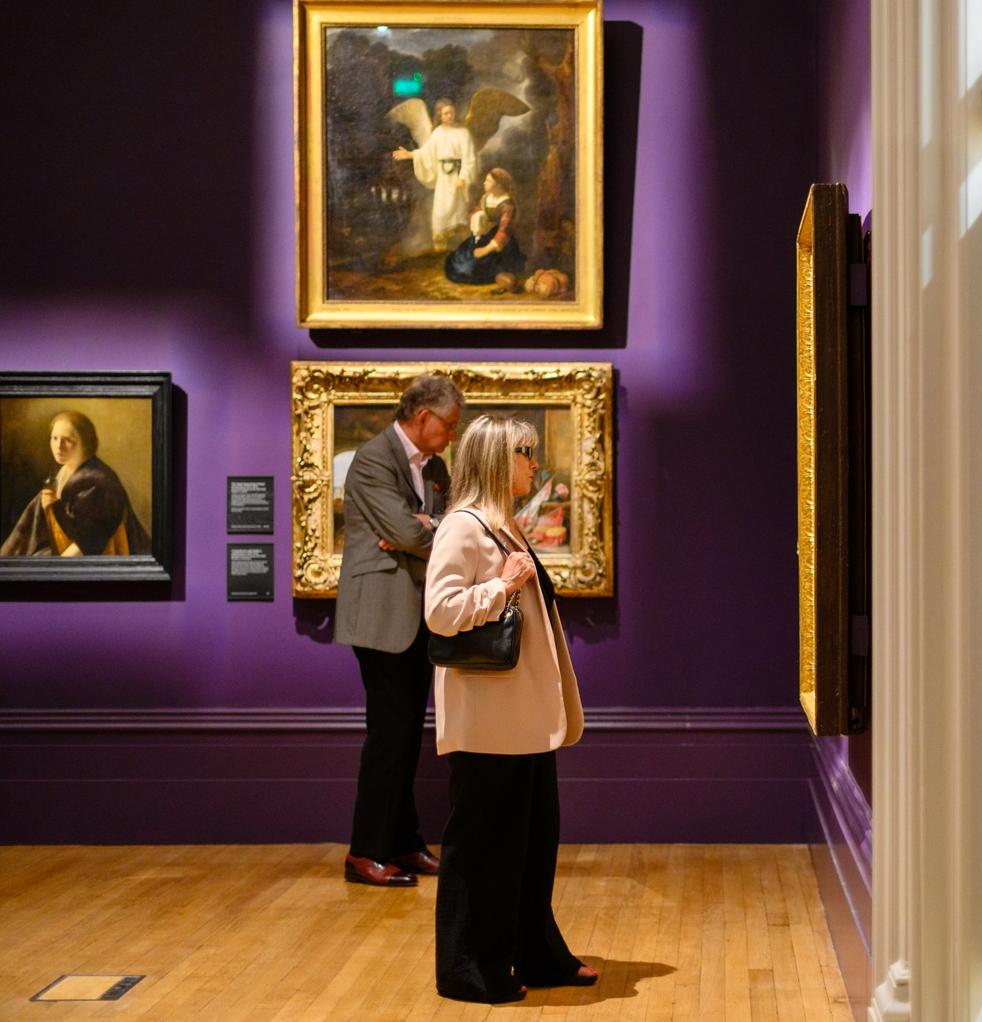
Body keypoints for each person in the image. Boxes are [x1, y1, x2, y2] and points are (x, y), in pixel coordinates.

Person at [424, 413, 594, 1004]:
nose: (534, 465)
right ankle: (469, 969)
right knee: (481, 849)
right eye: (526, 453)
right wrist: (502, 585)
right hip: (489, 722)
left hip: (520, 719)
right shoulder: (464, 529)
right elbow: (441, 613)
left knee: (530, 841)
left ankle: (535, 953)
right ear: (499, 458)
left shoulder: (504, 527)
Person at [335, 374, 464, 887]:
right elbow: (411, 530)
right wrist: (418, 528)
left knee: (408, 736)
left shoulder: (433, 465)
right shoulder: (371, 459)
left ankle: (405, 842)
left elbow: (452, 523)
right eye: (448, 426)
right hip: (381, 617)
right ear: (422, 417)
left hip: (416, 615)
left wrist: (421, 529)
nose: (452, 436)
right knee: (389, 738)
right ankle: (364, 851)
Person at [1, 411, 150, 557]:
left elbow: (88, 544)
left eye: (67, 440)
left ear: (85, 442)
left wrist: (53, 570)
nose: (58, 446)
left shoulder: (99, 482)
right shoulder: (65, 471)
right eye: (54, 438)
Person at [393, 98, 479, 251]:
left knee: (459, 215)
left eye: (451, 112)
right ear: (440, 116)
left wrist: (463, 177)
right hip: (443, 181)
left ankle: (462, 251)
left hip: (458, 179)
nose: (449, 116)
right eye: (445, 113)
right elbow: (427, 153)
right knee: (440, 214)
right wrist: (410, 154)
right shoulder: (437, 133)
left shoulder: (463, 133)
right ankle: (440, 250)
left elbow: (469, 158)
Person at [444, 168, 526, 286]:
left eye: (488, 181)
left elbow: (504, 231)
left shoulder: (507, 205)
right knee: (457, 262)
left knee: (471, 268)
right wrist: (478, 218)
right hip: (483, 235)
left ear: (498, 185)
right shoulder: (486, 197)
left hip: (499, 244)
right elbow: (474, 213)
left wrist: (485, 250)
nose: (484, 183)